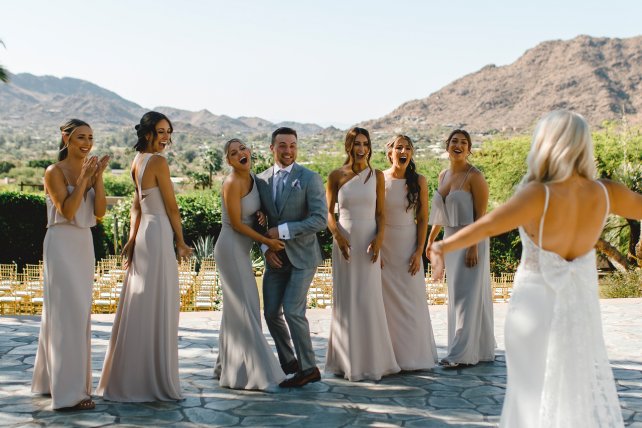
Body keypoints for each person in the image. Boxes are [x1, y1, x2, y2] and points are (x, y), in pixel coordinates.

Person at [429, 110, 637, 427]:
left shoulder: (539, 193)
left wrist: (442, 247)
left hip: (533, 311)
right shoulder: (606, 192)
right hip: (578, 312)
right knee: (573, 391)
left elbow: (488, 225)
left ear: (545, 144)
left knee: (528, 400)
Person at [97, 111, 192, 402]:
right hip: (159, 231)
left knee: (142, 301)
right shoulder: (158, 162)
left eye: (168, 132)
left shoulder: (136, 162)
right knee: (157, 300)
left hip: (144, 234)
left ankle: (132, 376)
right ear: (148, 133)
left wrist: (130, 238)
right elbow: (172, 207)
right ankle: (151, 379)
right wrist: (181, 240)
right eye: (161, 132)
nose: (166, 138)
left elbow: (135, 206)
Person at [32, 119, 109, 410]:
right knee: (65, 315)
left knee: (78, 315)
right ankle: (69, 394)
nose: (87, 142)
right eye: (80, 137)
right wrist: (84, 180)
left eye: (90, 137)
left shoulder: (90, 170)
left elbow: (99, 213)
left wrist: (97, 177)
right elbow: (67, 210)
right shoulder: (54, 171)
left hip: (83, 244)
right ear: (65, 138)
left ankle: (52, 381)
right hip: (61, 243)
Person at [324, 127, 400, 381]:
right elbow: (328, 214)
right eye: (357, 143)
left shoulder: (376, 175)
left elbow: (381, 213)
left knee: (368, 298)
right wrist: (337, 236)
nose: (361, 148)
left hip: (369, 241)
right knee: (346, 300)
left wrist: (379, 239)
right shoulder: (336, 175)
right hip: (345, 242)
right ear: (349, 146)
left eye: (365, 144)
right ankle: (346, 362)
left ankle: (373, 361)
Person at [255, 127, 328, 388]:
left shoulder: (310, 178)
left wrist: (281, 232)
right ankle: (290, 363)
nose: (288, 150)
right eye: (283, 145)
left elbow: (320, 219)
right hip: (275, 258)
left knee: (293, 310)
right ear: (272, 148)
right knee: (272, 312)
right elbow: (256, 219)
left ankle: (309, 368)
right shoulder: (260, 180)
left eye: (293, 145)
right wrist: (266, 248)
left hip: (303, 256)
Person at [213, 138, 286, 390]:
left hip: (241, 250)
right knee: (247, 306)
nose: (240, 153)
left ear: (249, 151)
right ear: (229, 160)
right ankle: (252, 372)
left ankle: (225, 365)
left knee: (235, 309)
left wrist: (261, 218)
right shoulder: (232, 182)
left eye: (242, 148)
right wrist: (266, 240)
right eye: (233, 153)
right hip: (230, 249)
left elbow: (250, 217)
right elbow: (235, 223)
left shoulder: (254, 179)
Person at [426, 129, 495, 368]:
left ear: (469, 149)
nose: (458, 145)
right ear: (447, 146)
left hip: (471, 240)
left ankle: (460, 354)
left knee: (467, 296)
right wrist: (431, 240)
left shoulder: (475, 176)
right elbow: (441, 215)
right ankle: (479, 348)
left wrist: (473, 246)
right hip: (450, 239)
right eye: (454, 141)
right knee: (457, 295)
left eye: (464, 142)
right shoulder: (443, 175)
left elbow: (481, 216)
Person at [381, 135, 438, 370]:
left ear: (411, 154)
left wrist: (418, 251)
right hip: (384, 246)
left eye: (408, 148)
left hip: (408, 244)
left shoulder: (420, 181)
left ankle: (414, 356)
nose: (403, 151)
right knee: (386, 304)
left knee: (412, 300)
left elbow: (423, 218)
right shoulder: (379, 179)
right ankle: (390, 357)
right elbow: (376, 217)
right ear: (390, 153)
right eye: (398, 147)